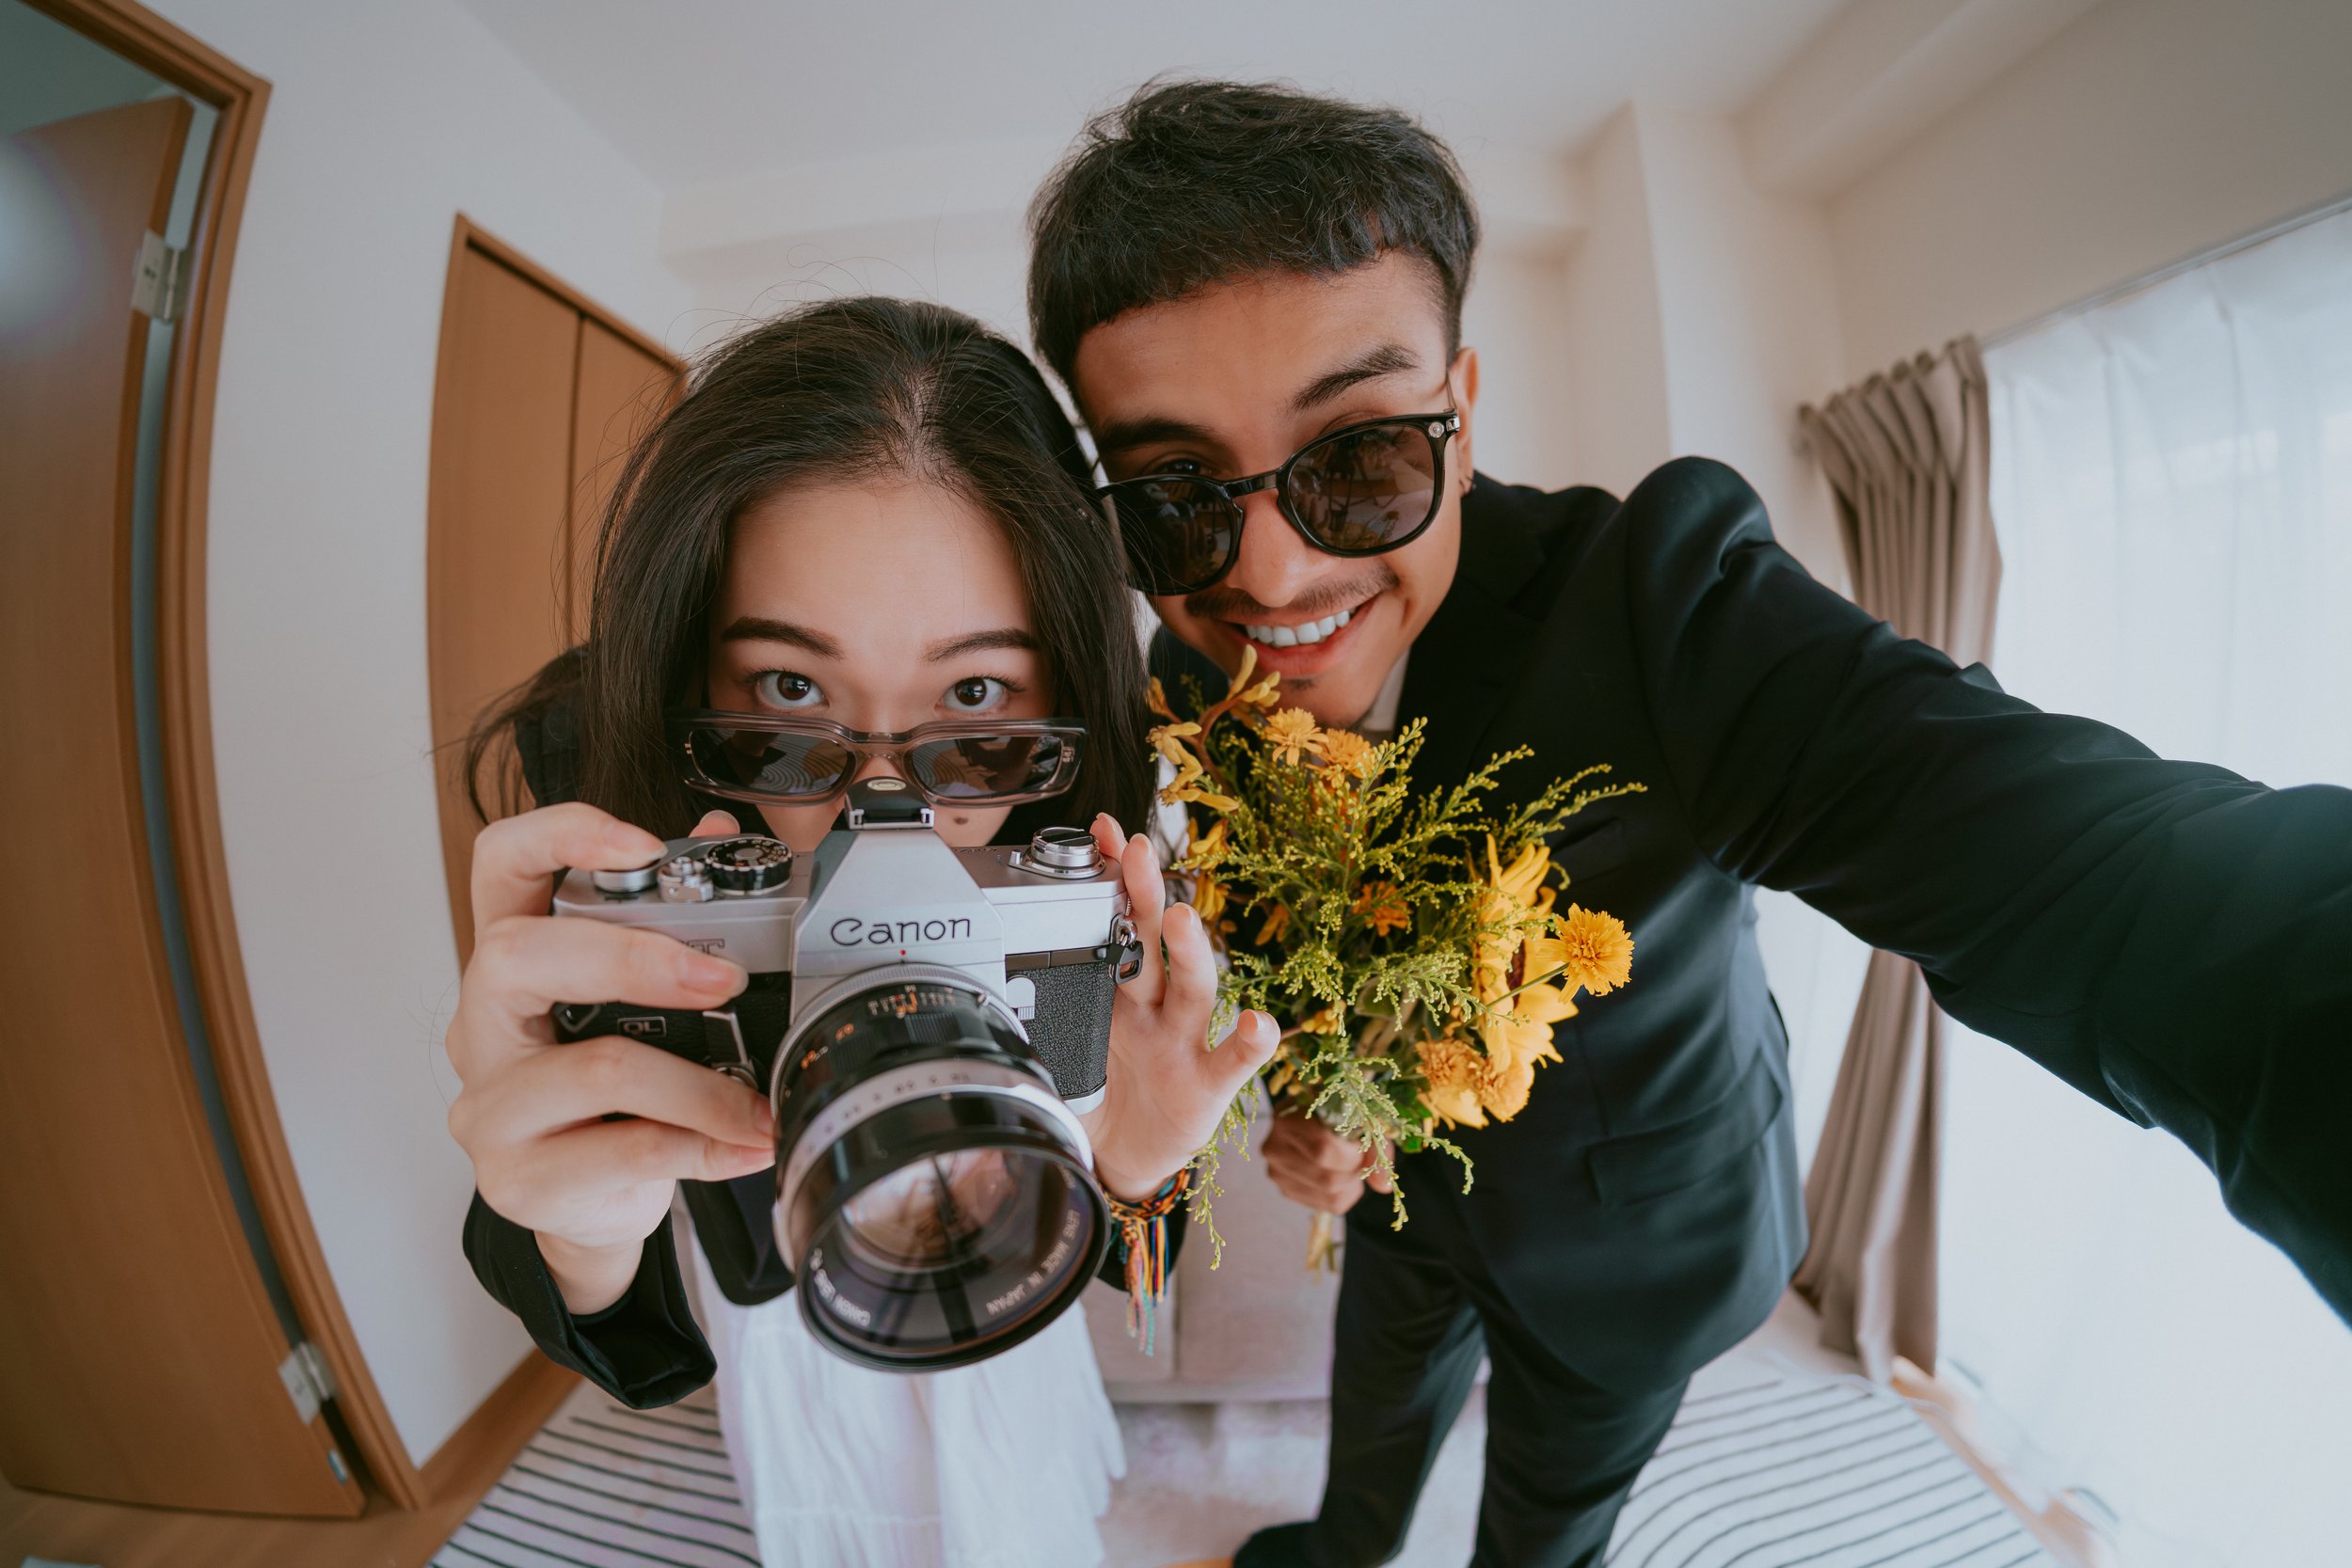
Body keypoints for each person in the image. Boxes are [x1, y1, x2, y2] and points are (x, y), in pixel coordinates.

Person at [1025, 81, 2352, 1568]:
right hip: (1408, 1219)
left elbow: (2131, 898)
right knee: (1370, 1443)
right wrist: (1316, 1114)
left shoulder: (1658, 606)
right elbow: (1253, 946)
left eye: (1358, 461)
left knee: (1542, 1537)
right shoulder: (1179, 678)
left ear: (1459, 419)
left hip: (1638, 1246)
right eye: (1174, 498)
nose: (1268, 576)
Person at [441, 297, 1278, 1566]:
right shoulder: (615, 818)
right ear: (689, 679)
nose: (881, 813)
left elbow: (1133, 1276)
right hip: (778, 1343)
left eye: (979, 698)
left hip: (1016, 1336)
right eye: (788, 693)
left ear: (1066, 690)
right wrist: (580, 1236)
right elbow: (623, 1336)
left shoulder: (1097, 854)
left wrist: (1141, 1168)